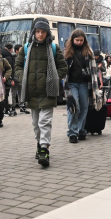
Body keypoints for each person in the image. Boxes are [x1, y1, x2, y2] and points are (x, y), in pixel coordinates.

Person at [14, 17, 68, 167]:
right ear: (33, 32)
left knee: (44, 122)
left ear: (47, 33)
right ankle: (39, 143)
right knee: (35, 124)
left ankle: (44, 148)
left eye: (43, 32)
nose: (40, 34)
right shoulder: (26, 47)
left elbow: (63, 67)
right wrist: (22, 77)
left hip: (47, 91)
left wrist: (55, 78)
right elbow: (17, 66)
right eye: (37, 31)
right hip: (31, 92)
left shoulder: (53, 48)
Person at [64, 29, 104, 143]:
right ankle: (72, 132)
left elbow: (94, 70)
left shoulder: (89, 52)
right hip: (71, 83)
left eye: (81, 40)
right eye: (77, 40)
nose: (79, 42)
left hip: (84, 83)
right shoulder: (67, 52)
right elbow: (63, 71)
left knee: (84, 107)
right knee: (74, 106)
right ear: (72, 40)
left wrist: (95, 86)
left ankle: (81, 130)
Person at [1, 43, 16, 116]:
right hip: (6, 78)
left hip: (0, 78)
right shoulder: (9, 57)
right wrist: (12, 79)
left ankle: (4, 109)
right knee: (6, 94)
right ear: (11, 49)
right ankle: (6, 110)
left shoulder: (0, 55)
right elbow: (11, 69)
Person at [12, 44, 27, 114]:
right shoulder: (13, 58)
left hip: (21, 78)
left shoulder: (24, 57)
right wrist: (12, 78)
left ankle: (22, 106)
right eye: (21, 49)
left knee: (21, 93)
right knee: (13, 93)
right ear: (16, 51)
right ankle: (13, 107)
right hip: (15, 79)